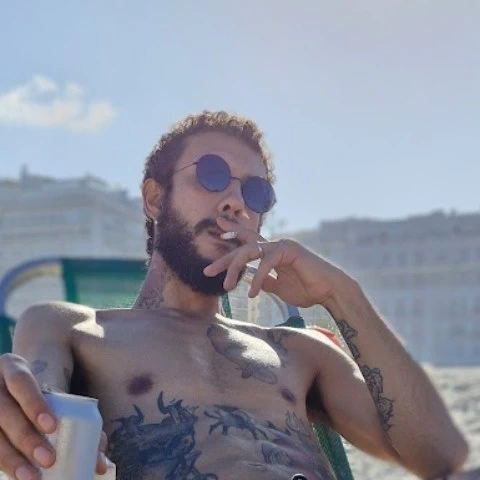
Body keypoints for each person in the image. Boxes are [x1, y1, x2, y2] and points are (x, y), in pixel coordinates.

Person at [0, 111, 472, 480]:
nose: (236, 203)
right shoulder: (70, 328)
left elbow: (440, 456)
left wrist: (341, 294)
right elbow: (41, 427)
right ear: (155, 198)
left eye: (256, 192)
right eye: (211, 175)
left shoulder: (301, 351)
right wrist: (20, 411)